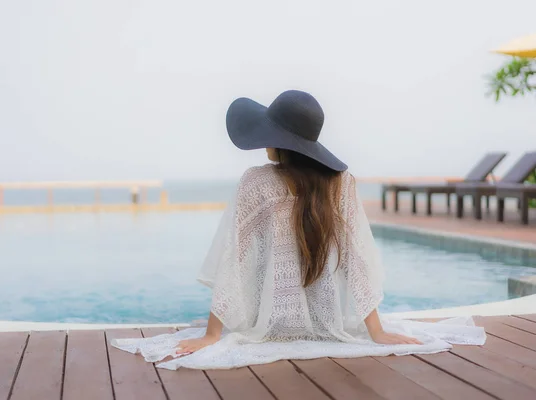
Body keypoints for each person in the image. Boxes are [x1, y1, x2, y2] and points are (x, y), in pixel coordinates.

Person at [112, 90, 486, 370]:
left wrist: (212, 335)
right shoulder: (341, 183)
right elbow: (357, 262)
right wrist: (376, 331)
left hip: (268, 324)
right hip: (327, 325)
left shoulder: (256, 182)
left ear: (280, 141)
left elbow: (234, 260)